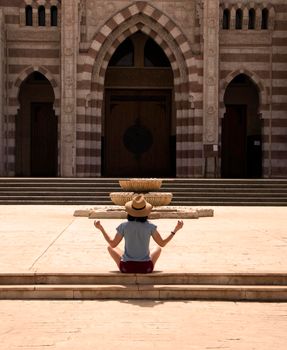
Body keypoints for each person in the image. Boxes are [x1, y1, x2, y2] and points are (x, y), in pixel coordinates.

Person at [94, 194, 184, 273]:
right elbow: (162, 243)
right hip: (146, 268)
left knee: (111, 248)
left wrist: (101, 229)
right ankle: (142, 258)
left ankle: (130, 258)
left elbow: (112, 244)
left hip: (126, 268)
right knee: (157, 248)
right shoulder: (150, 226)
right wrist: (175, 230)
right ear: (145, 212)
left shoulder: (124, 225)